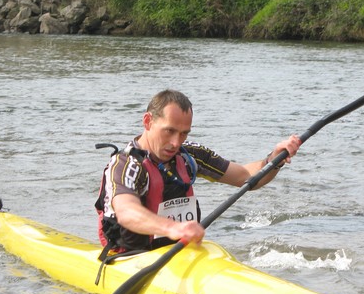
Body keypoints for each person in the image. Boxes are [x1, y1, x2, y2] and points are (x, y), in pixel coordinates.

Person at [95, 89, 301, 255]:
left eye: (184, 133)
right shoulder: (126, 164)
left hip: (179, 254)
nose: (176, 142)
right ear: (148, 121)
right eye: (169, 131)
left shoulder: (189, 155)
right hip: (131, 258)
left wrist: (275, 159)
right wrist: (174, 228)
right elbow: (127, 212)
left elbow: (246, 177)